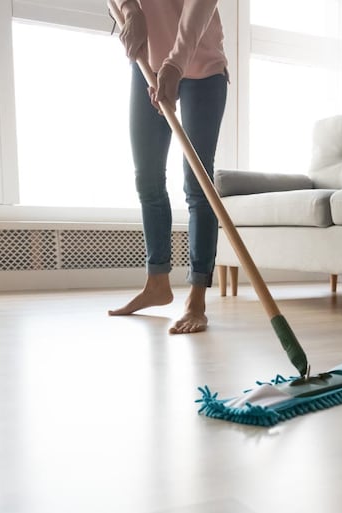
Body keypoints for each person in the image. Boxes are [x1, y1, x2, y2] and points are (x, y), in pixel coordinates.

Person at [107, 0, 228, 335]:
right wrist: (130, 10)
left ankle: (197, 297)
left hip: (202, 66)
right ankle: (157, 283)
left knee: (198, 181)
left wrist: (175, 63)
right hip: (149, 61)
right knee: (147, 176)